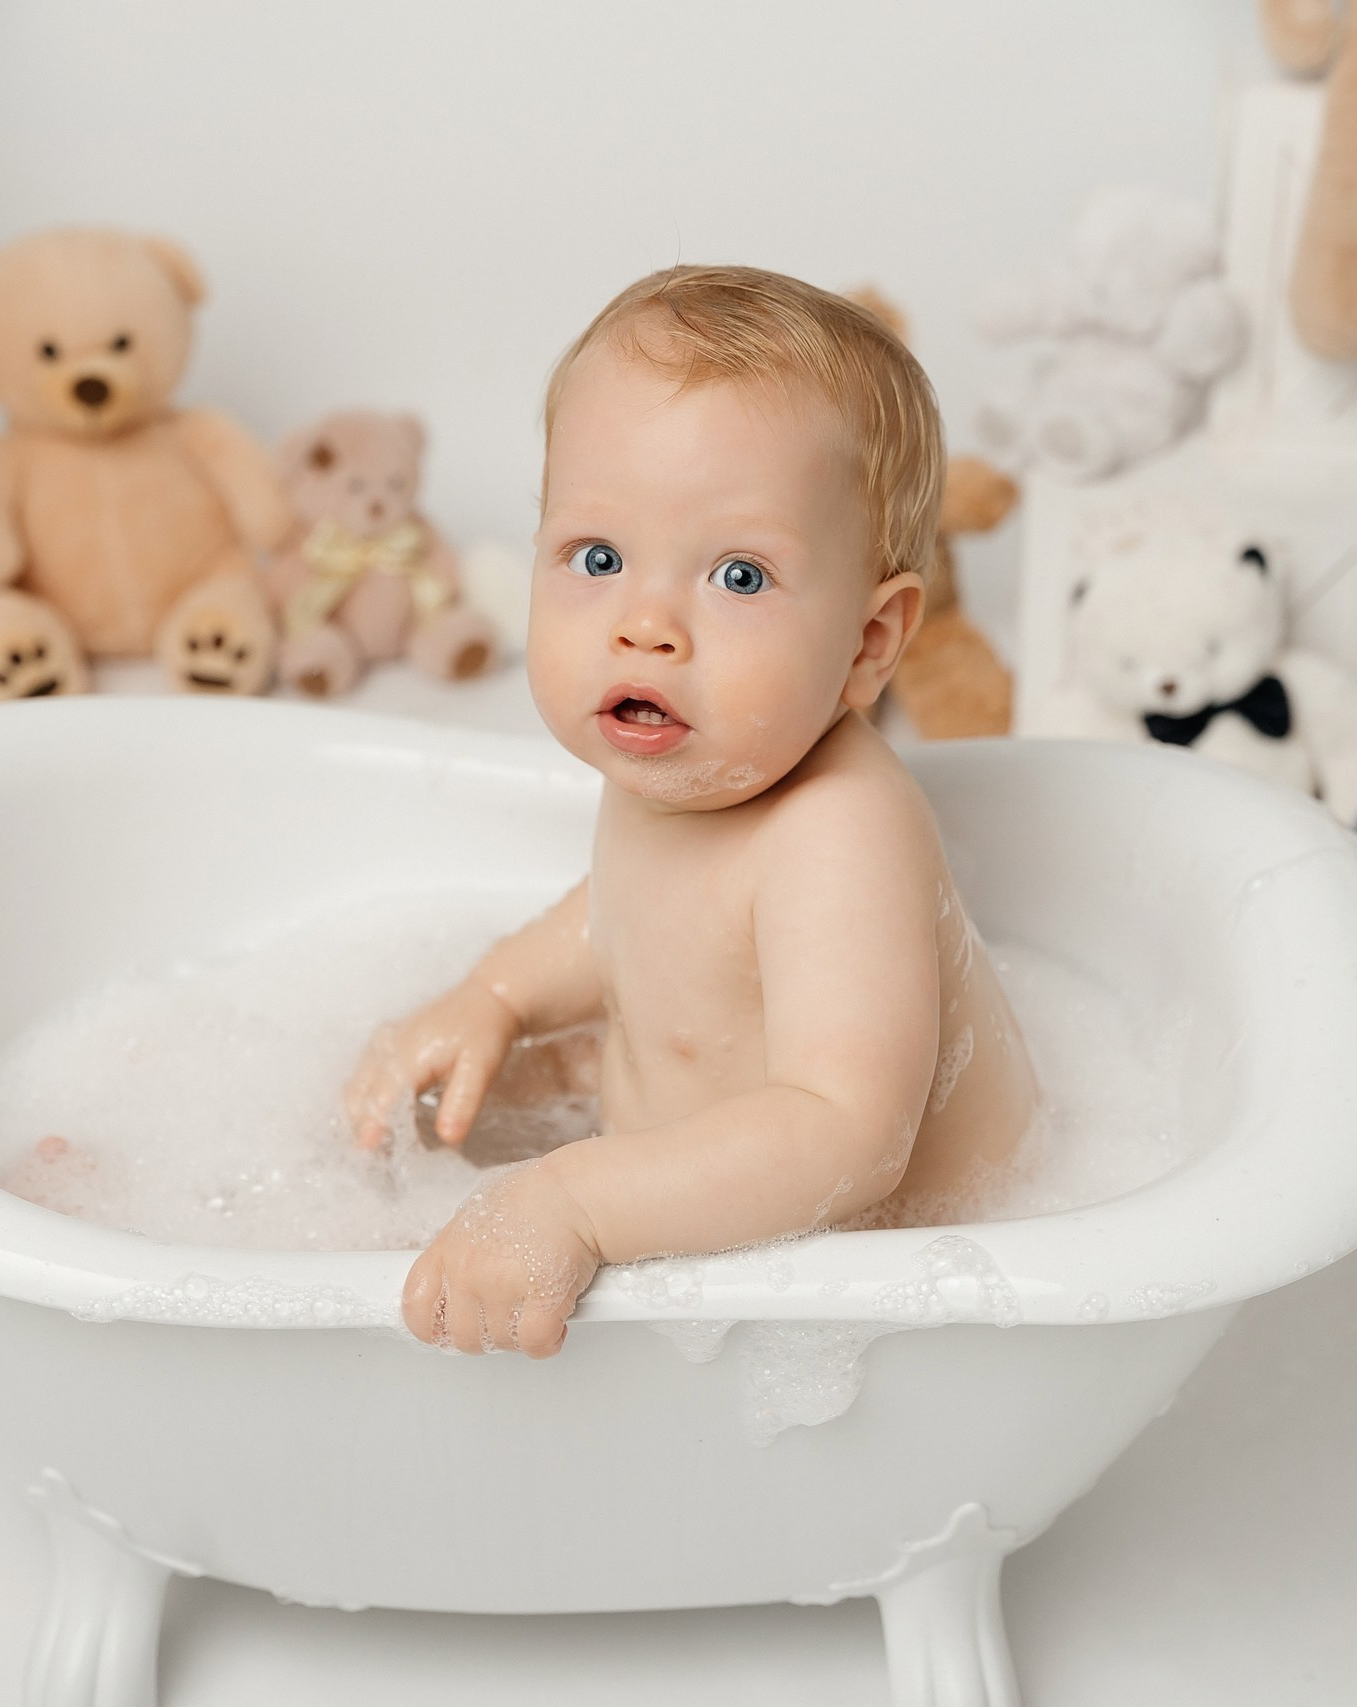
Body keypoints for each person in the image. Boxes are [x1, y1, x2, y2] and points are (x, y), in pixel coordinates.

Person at [343, 265, 1037, 1357]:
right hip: (691, 1185)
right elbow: (626, 913)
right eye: (599, 557)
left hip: (894, 1297)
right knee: (388, 1127)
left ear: (868, 645)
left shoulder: (838, 833)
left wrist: (574, 1202)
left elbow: (844, 1133)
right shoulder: (692, 763)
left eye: (740, 577)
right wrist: (497, 993)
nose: (646, 625)